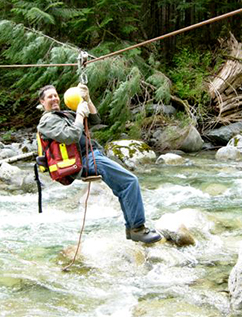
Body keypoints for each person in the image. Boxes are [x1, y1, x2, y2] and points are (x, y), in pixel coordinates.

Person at [37, 84, 162, 244]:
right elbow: (70, 136)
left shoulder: (64, 114)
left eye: (55, 95)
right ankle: (138, 229)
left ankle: (131, 229)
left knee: (123, 187)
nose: (54, 99)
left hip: (92, 155)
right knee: (130, 182)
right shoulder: (47, 121)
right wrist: (80, 116)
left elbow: (96, 120)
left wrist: (87, 100)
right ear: (42, 102)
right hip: (84, 160)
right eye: (49, 97)